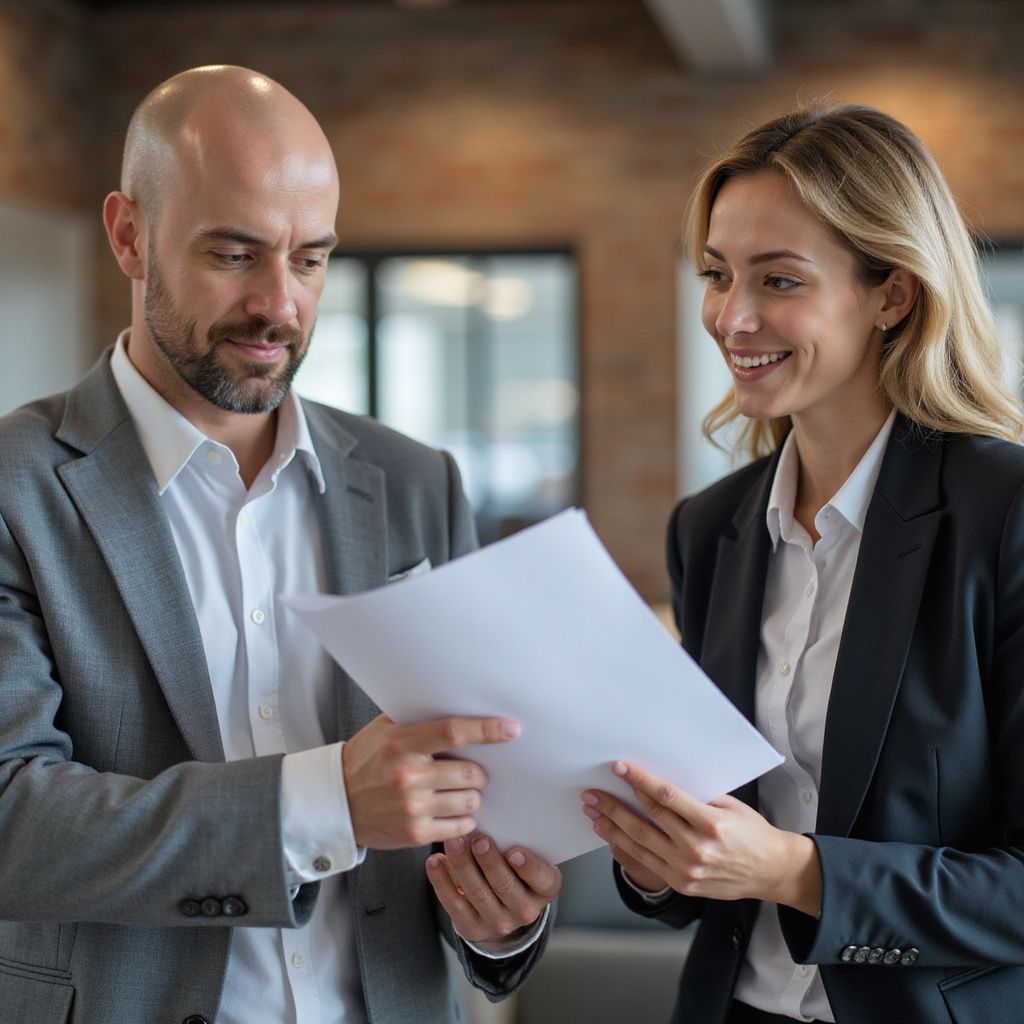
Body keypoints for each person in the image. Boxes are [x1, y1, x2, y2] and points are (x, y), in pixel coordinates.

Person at [0, 65, 560, 1024]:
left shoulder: (419, 482)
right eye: (235, 254)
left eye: (309, 259)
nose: (280, 305)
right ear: (128, 235)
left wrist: (498, 919)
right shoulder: (16, 487)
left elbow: (483, 798)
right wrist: (324, 802)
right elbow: (13, 820)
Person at [579, 104, 1024, 1024]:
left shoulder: (1004, 515)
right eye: (715, 275)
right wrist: (659, 859)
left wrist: (795, 870)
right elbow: (711, 866)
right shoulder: (711, 530)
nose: (732, 318)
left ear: (892, 294)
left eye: (779, 280)